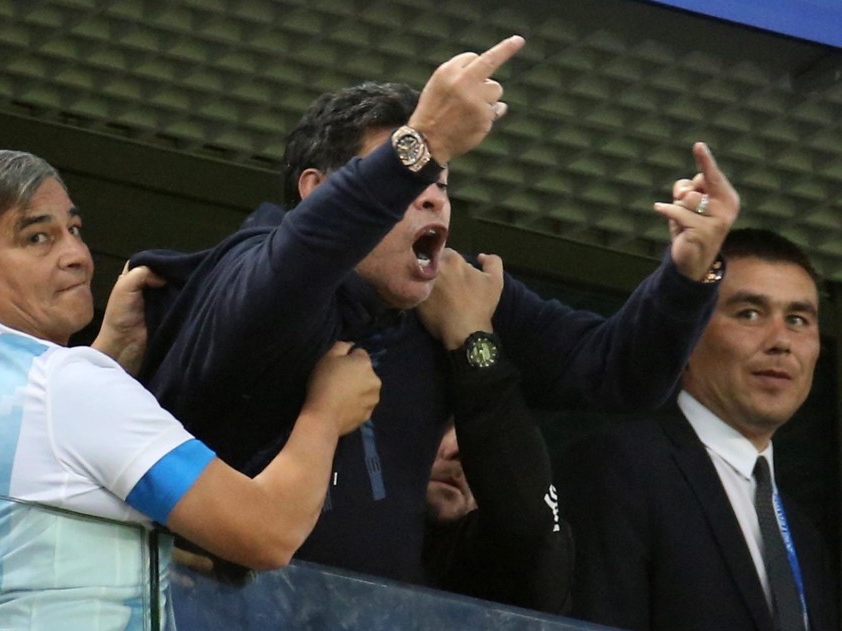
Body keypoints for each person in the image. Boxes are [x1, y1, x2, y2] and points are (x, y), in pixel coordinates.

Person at [131, 33, 740, 583]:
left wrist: (689, 276)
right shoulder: (243, 273)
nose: (432, 202)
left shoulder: (451, 294)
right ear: (316, 191)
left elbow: (618, 374)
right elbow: (297, 263)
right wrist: (418, 145)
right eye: (405, 180)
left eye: (442, 185)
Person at [0, 148, 381, 629]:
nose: (77, 254)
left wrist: (108, 350)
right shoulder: (69, 386)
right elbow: (267, 534)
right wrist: (325, 413)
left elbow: (36, 452)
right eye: (38, 238)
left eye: (73, 229)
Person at [557, 228, 840, 631]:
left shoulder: (804, 536)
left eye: (797, 320)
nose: (781, 342)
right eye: (749, 314)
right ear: (688, 334)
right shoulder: (621, 467)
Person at [419, 250, 572, 612]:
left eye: (474, 433)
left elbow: (534, 535)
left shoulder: (485, 561)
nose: (457, 449)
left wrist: (470, 336)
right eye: (442, 421)